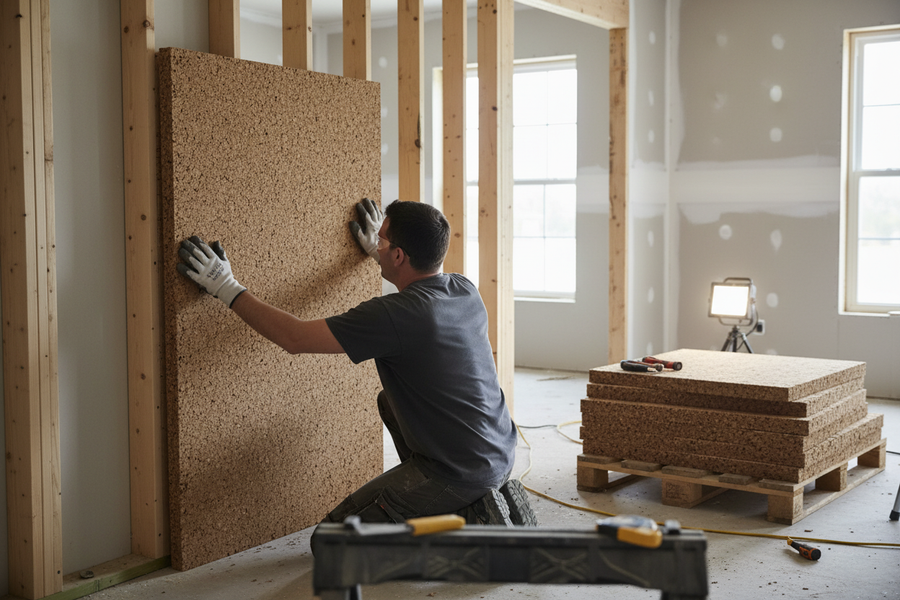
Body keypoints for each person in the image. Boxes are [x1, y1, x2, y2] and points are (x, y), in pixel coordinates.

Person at [176, 198, 537, 527]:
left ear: (399, 255)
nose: (376, 243)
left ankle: (462, 523)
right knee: (390, 401)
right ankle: (466, 503)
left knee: (332, 540)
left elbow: (295, 338)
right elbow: (417, 300)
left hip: (458, 470)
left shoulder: (395, 316)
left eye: (382, 240)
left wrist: (225, 285)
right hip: (498, 451)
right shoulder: (463, 288)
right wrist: (379, 253)